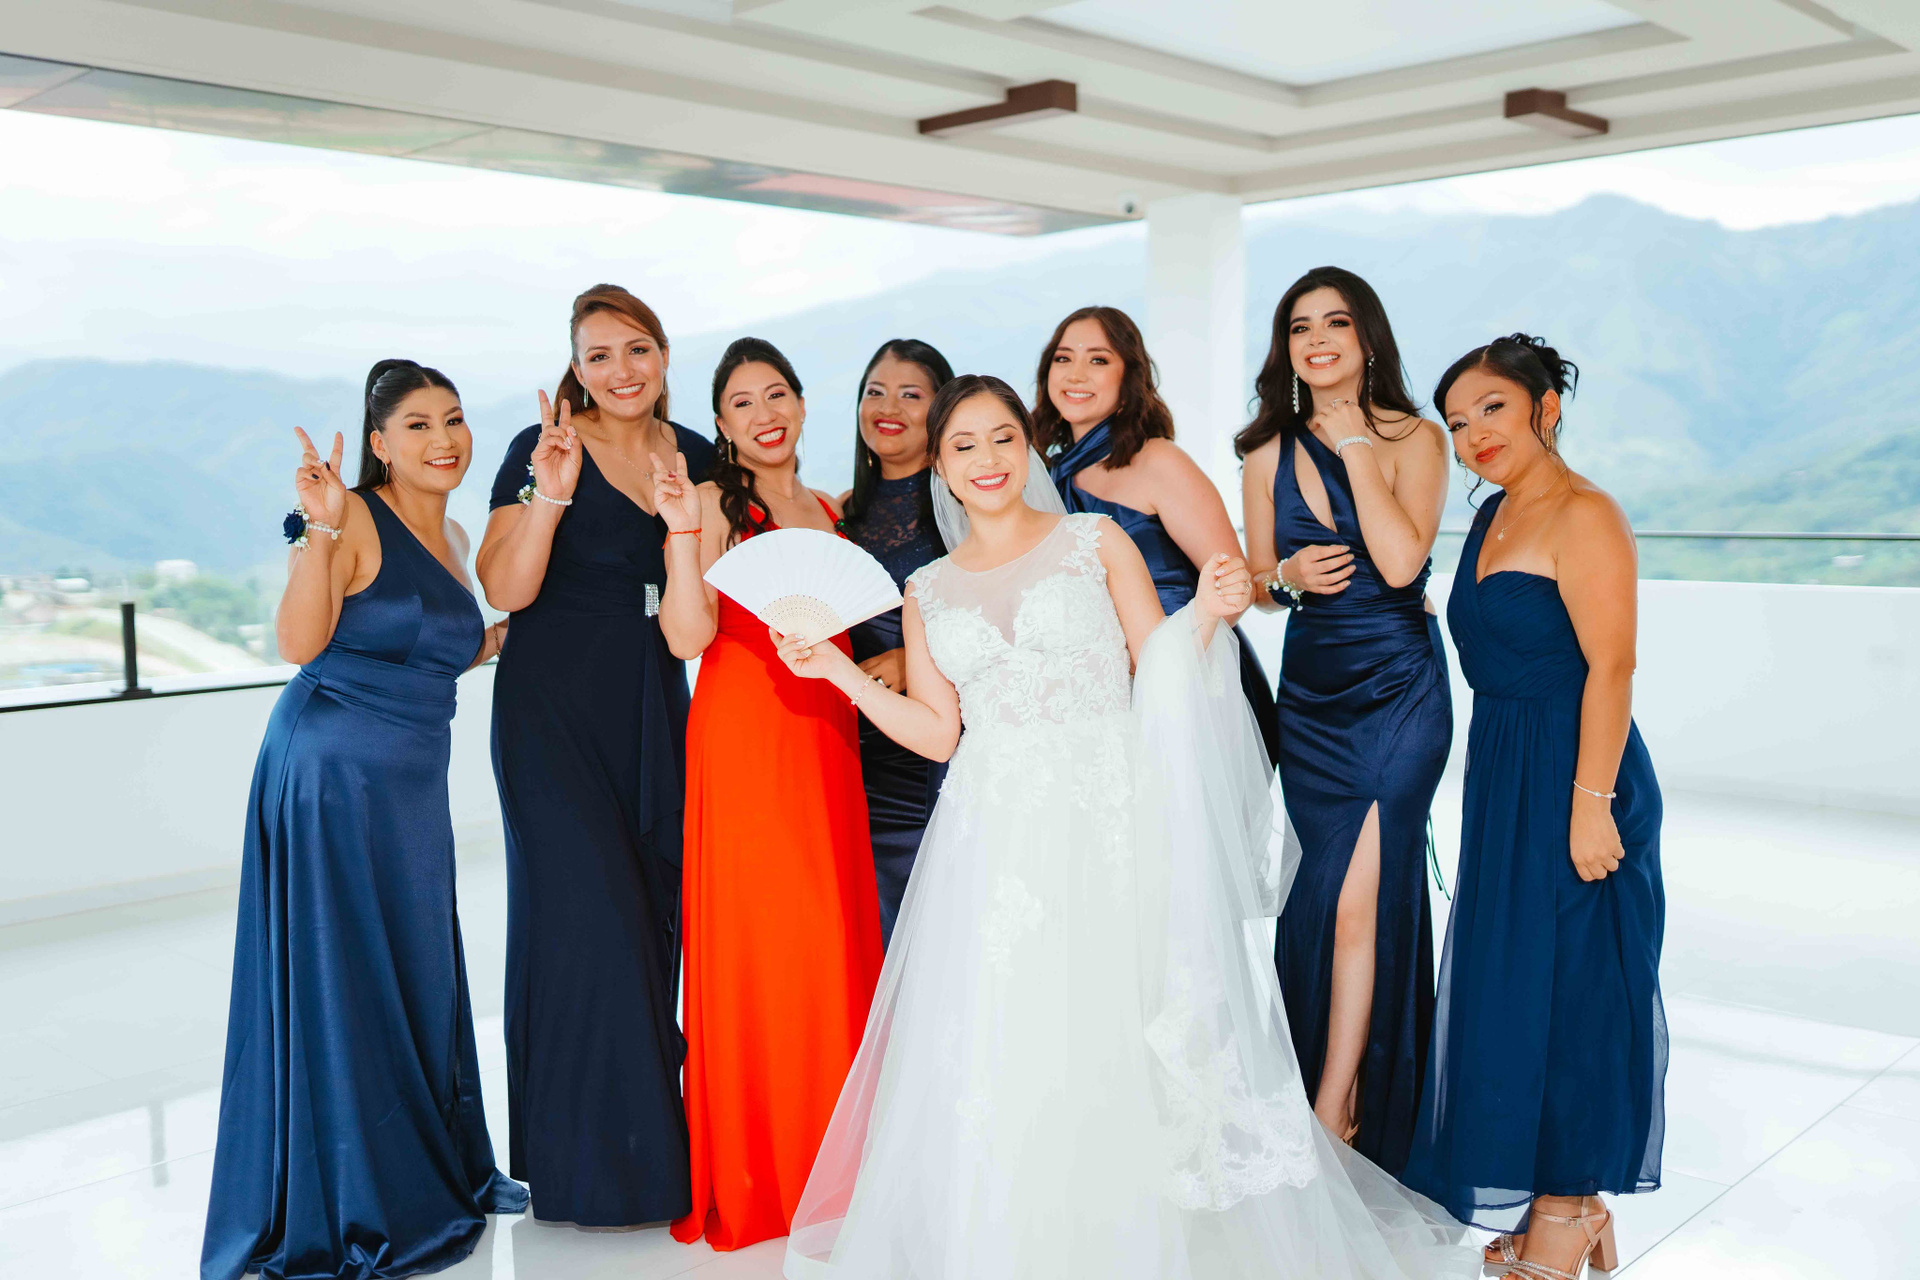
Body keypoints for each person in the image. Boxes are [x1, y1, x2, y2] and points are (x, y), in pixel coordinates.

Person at [776, 375, 1473, 1280]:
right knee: (1016, 1030)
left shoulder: (1091, 540)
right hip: (997, 839)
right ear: (940, 469)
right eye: (964, 446)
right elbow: (939, 733)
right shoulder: (928, 589)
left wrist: (1208, 614)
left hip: (1109, 815)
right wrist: (838, 674)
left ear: (1027, 446)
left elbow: (1158, 663)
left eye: (1002, 438)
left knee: (1129, 1017)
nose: (987, 460)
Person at [203, 360, 524, 1280]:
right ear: (379, 443)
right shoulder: (347, 518)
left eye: (453, 418)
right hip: (330, 773)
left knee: (416, 963)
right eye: (417, 425)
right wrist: (319, 525)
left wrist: (509, 639)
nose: (443, 439)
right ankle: (360, 1193)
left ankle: (440, 1163)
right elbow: (299, 643)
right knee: (347, 975)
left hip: (409, 787)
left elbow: (431, 647)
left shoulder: (453, 533)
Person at [1402, 335, 1664, 1280]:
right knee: (1519, 991)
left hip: (1578, 770)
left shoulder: (1586, 513)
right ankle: (1561, 1200)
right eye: (1457, 421)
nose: (1473, 434)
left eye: (1493, 410)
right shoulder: (1493, 515)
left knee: (1580, 993)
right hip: (1506, 775)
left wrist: (1591, 805)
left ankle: (1569, 1205)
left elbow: (1613, 667)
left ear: (1546, 408)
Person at [475, 284, 715, 1226]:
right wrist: (550, 494)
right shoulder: (542, 447)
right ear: (575, 367)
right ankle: (596, 1171)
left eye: (636, 349)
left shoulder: (693, 453)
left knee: (653, 915)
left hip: (653, 700)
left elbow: (706, 587)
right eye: (599, 355)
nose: (621, 370)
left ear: (663, 354)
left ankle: (651, 1148)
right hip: (552, 710)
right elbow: (505, 586)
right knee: (588, 921)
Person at [652, 337, 883, 1251]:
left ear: (801, 403)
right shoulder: (712, 503)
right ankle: (769, 1167)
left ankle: (836, 1158)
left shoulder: (830, 507)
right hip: (746, 730)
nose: (764, 414)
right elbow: (685, 637)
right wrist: (680, 536)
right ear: (720, 423)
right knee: (765, 936)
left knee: (828, 930)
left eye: (776, 393)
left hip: (827, 728)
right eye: (742, 402)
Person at [1238, 266, 1452, 1173]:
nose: (1317, 339)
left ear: (1368, 338)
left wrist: (1357, 441)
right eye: (1299, 327)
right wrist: (1285, 577)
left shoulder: (1418, 437)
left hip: (1399, 688)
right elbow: (1258, 584)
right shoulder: (1263, 453)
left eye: (1335, 323)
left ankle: (1333, 1110)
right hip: (1314, 696)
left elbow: (1401, 564)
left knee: (1361, 897)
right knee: (1321, 897)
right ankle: (1340, 1083)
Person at [1039, 305, 1281, 764]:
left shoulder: (1159, 461)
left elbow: (1237, 588)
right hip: (1095, 694)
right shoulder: (1043, 477)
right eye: (1063, 358)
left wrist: (1166, 664)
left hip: (1186, 683)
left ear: (1129, 377)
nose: (1076, 374)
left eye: (1098, 359)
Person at [837, 338, 954, 946]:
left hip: (934, 753)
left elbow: (1008, 612)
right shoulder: (838, 515)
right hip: (852, 755)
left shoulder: (964, 506)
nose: (888, 408)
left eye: (911, 394)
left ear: (941, 412)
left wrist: (918, 659)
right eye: (874, 392)